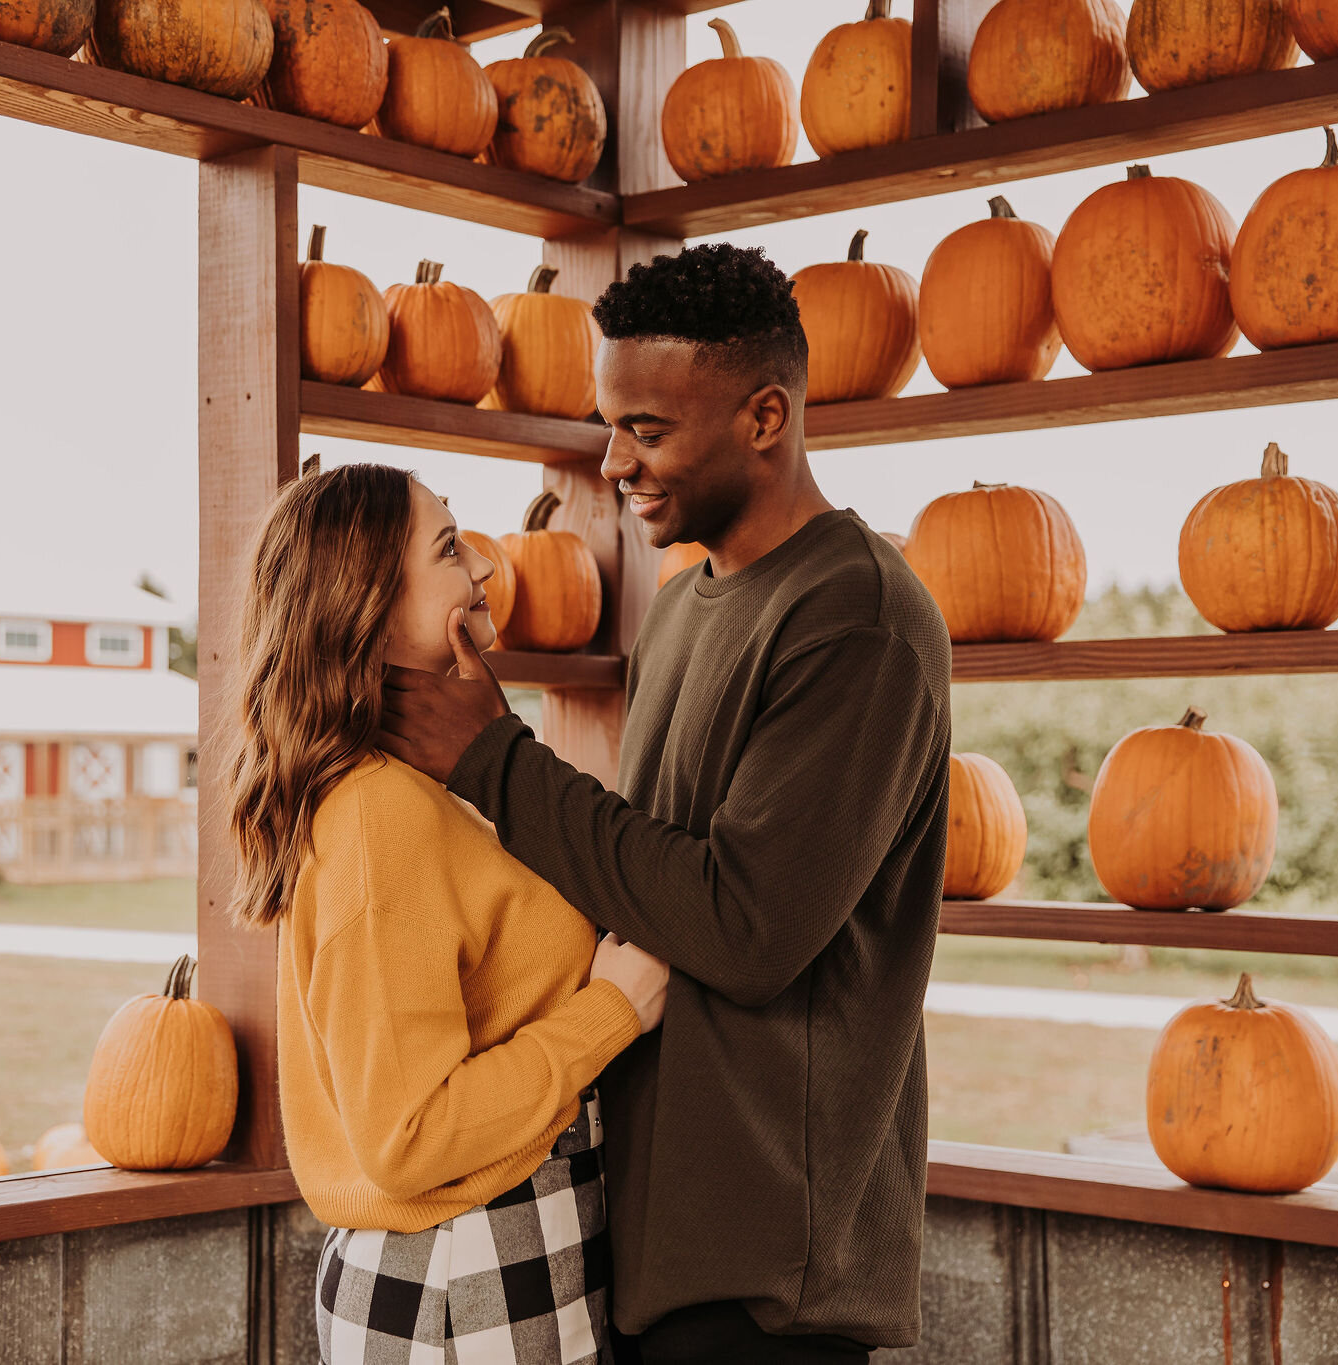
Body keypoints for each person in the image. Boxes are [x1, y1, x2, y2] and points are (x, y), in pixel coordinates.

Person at [379, 243, 953, 1363]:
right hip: (652, 1225)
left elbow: (743, 930)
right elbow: (643, 880)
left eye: (647, 430)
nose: (614, 463)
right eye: (610, 426)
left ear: (764, 416)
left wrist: (495, 759)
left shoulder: (860, 620)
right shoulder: (687, 603)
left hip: (766, 1271)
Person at [226, 461, 671, 1365]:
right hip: (461, 1268)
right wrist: (611, 1011)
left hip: (504, 1244)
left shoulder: (435, 789)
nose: (484, 565)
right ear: (371, 610)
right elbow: (408, 1134)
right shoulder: (376, 814)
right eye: (446, 548)